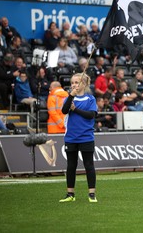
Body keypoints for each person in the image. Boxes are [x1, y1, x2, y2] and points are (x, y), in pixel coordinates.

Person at [60, 73, 98, 203]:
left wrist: (75, 109)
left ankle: (92, 194)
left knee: (89, 165)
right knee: (71, 166)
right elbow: (64, 111)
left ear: (84, 84)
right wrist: (71, 96)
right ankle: (70, 193)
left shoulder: (90, 99)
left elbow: (91, 115)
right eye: (72, 83)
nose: (74, 85)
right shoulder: (69, 98)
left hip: (86, 137)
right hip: (71, 137)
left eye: (77, 82)